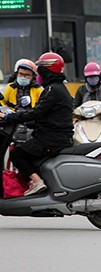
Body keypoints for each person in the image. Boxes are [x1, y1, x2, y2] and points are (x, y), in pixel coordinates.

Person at [0, 53, 74, 196]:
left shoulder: (52, 90)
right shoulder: (58, 88)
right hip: (56, 135)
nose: (38, 76)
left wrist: (10, 117)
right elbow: (46, 116)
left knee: (17, 154)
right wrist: (30, 122)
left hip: (51, 138)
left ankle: (37, 182)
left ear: (46, 71)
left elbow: (36, 113)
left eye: (40, 71)